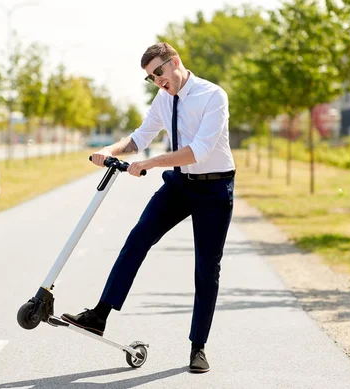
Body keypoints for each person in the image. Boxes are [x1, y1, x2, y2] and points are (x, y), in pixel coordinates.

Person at [61, 42, 235, 374]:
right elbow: (140, 137)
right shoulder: (163, 98)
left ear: (175, 63)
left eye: (158, 73)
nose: (157, 81)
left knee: (206, 268)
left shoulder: (213, 96)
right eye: (150, 78)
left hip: (215, 187)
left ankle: (198, 347)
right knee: (138, 237)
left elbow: (199, 150)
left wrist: (152, 163)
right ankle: (100, 314)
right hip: (182, 184)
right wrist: (110, 149)